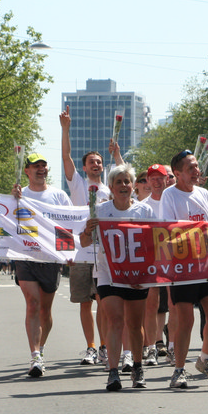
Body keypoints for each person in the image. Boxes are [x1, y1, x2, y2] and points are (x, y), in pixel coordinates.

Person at [160, 149, 208, 388]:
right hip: (182, 267)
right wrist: (195, 232)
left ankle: (204, 359)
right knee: (186, 320)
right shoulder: (169, 196)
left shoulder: (203, 194)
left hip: (206, 265)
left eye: (196, 167)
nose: (196, 171)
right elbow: (168, 229)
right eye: (190, 168)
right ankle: (179, 370)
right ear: (177, 173)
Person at [80, 164, 156, 391]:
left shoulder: (144, 211)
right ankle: (113, 372)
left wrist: (146, 272)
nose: (124, 185)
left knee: (134, 324)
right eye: (119, 182)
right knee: (115, 320)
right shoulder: (99, 211)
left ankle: (137, 367)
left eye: (127, 181)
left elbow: (154, 243)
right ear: (111, 187)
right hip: (108, 273)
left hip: (136, 274)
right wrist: (88, 230)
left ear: (133, 186)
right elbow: (84, 242)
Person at [11, 152, 74, 376]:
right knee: (33, 304)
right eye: (36, 166)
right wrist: (12, 199)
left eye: (43, 165)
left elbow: (69, 224)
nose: (41, 169)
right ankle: (35, 355)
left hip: (50, 259)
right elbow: (6, 219)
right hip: (26, 257)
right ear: (27, 170)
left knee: (45, 310)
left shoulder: (59, 196)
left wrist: (69, 253)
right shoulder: (18, 195)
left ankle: (41, 347)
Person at [60, 105, 111, 366]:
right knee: (84, 303)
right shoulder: (77, 184)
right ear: (84, 167)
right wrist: (65, 129)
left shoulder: (109, 190)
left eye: (99, 162)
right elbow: (65, 156)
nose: (96, 165)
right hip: (81, 252)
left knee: (103, 301)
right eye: (92, 162)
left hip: (103, 253)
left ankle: (104, 346)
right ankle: (90, 347)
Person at [140, 164, 170, 364]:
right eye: (153, 178)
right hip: (151, 260)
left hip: (174, 259)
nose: (157, 182)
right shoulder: (142, 206)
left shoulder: (174, 200)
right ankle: (149, 346)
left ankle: (172, 346)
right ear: (148, 181)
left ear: (167, 179)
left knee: (175, 305)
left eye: (160, 178)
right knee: (151, 305)